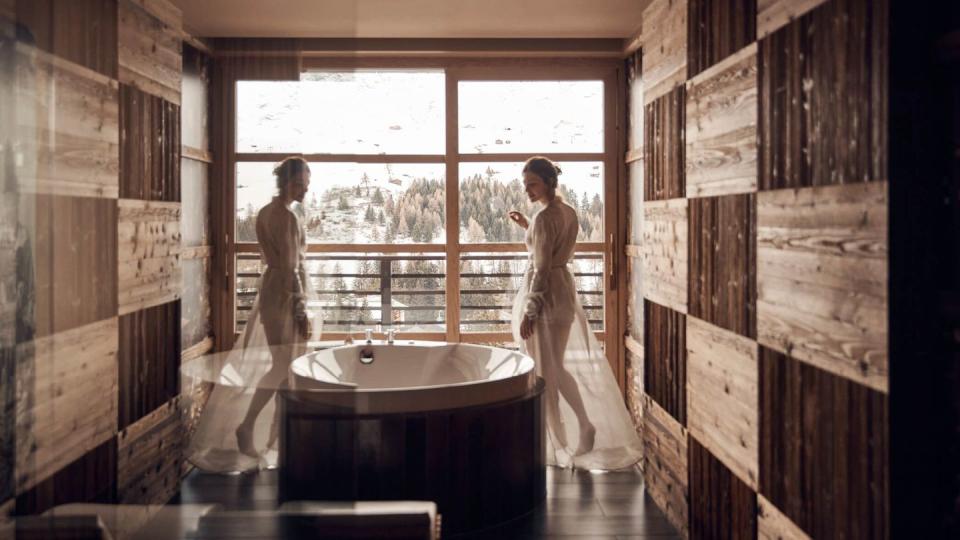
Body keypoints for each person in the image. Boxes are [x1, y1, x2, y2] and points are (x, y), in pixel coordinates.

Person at [185, 156, 320, 473]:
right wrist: (301, 308)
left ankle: (276, 436)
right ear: (287, 183)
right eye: (301, 183)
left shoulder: (265, 213)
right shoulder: (286, 218)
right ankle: (254, 428)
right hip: (286, 293)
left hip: (272, 291)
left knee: (283, 366)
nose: (305, 189)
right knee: (286, 365)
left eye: (307, 184)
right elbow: (291, 268)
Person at [509, 156, 641, 470]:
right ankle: (580, 425)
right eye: (525, 184)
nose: (527, 190)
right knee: (554, 366)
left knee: (544, 371)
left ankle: (560, 441)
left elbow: (540, 268)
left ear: (548, 182)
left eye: (532, 184)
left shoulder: (544, 218)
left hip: (545, 299)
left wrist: (530, 310)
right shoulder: (567, 212)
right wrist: (527, 226)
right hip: (563, 294)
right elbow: (552, 249)